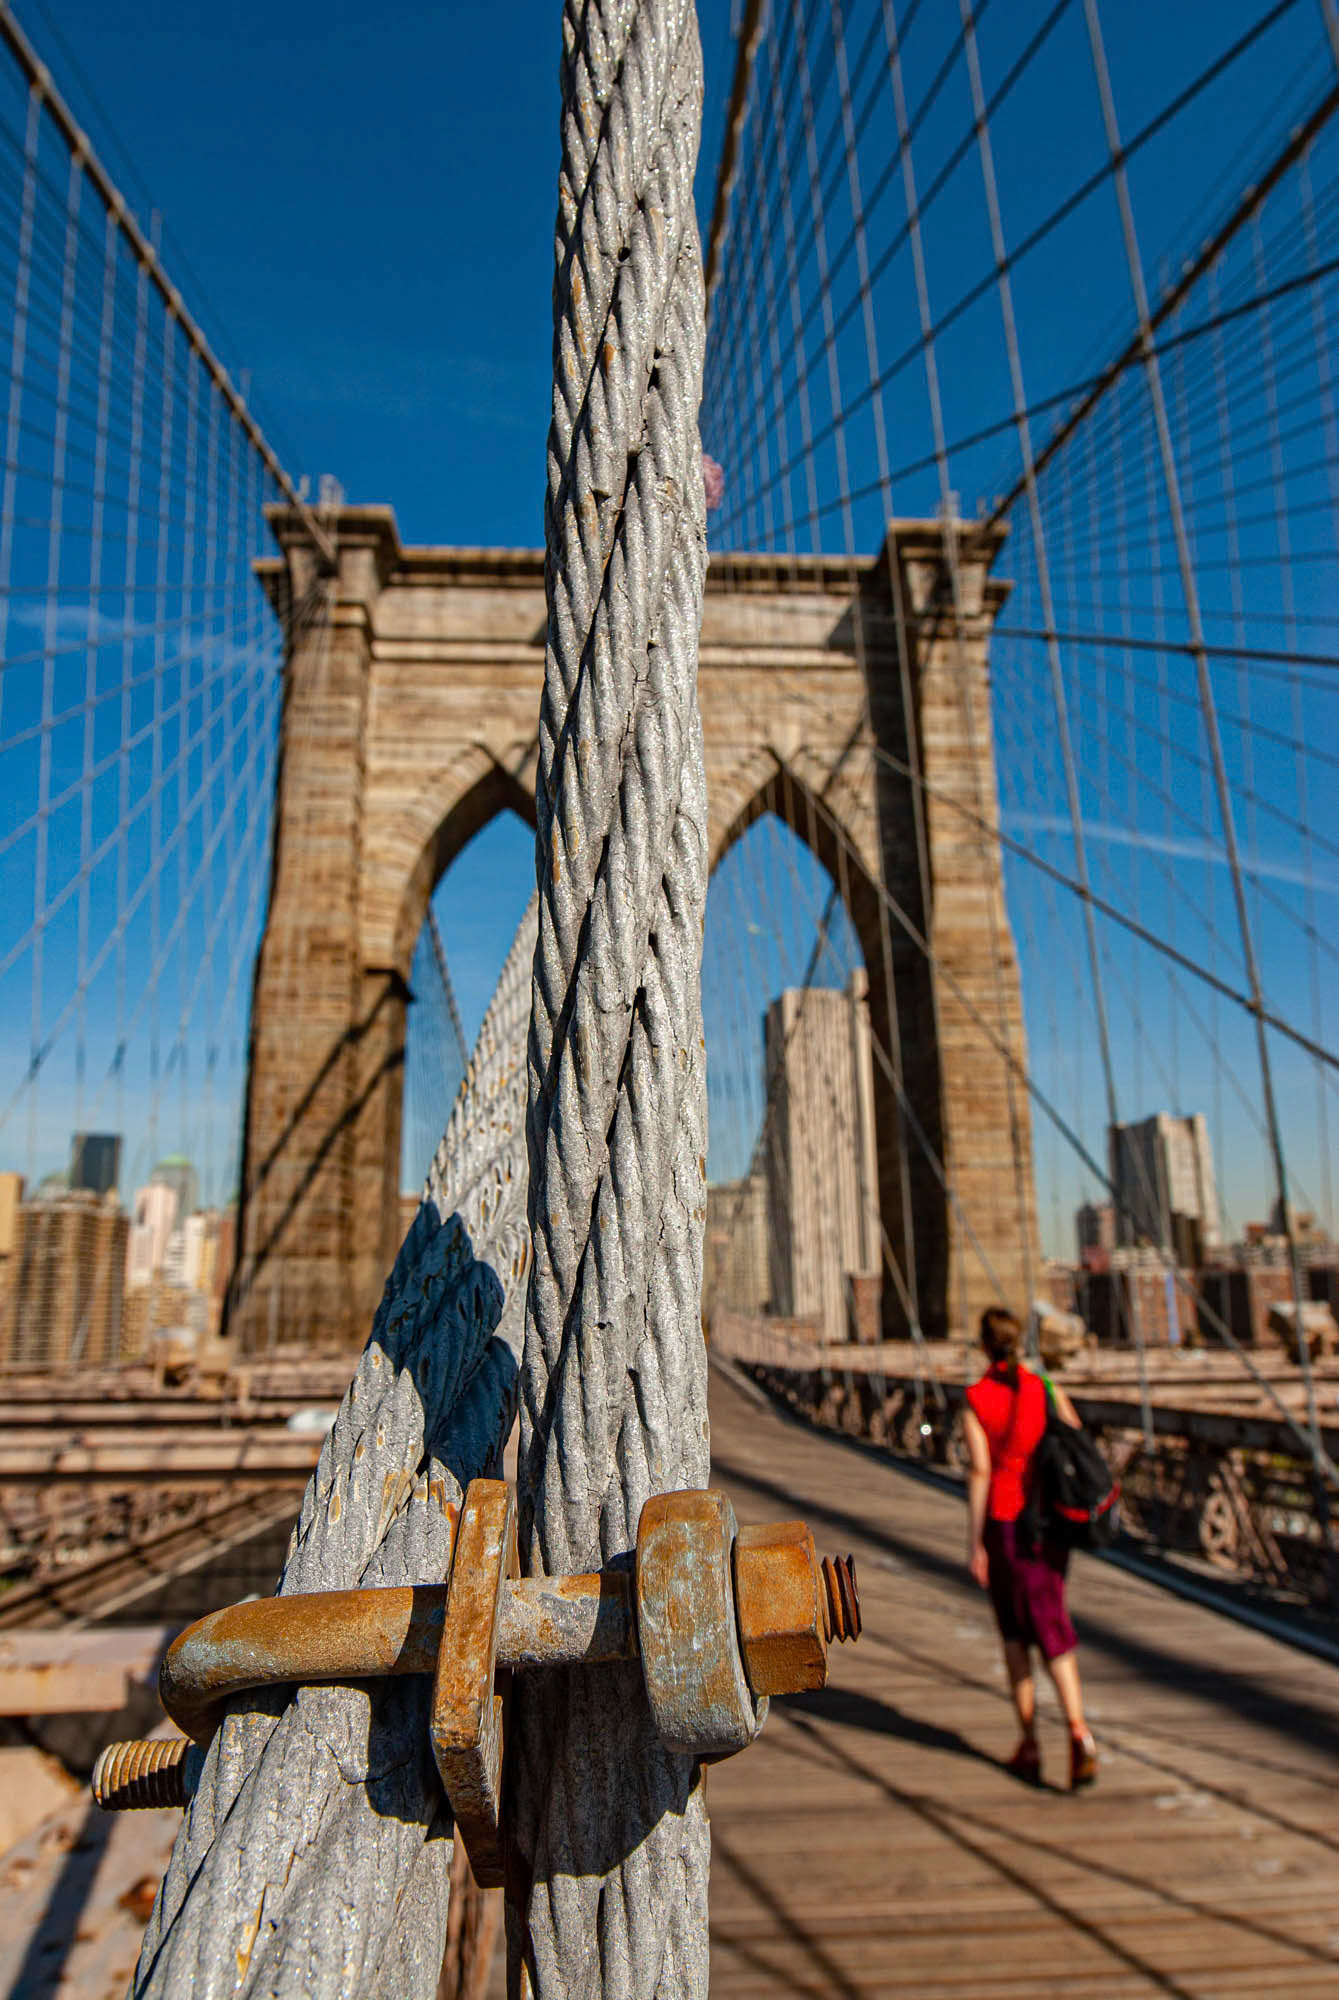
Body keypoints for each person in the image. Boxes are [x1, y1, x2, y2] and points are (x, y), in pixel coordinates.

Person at [963, 1306, 1098, 1789]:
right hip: (1049, 1524)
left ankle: (1032, 1743)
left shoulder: (976, 1398)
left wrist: (975, 1542)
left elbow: (980, 1472)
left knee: (1017, 1637)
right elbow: (1076, 1437)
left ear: (983, 1345)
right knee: (1053, 1622)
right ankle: (1079, 1734)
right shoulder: (1044, 1387)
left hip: (1004, 1524)